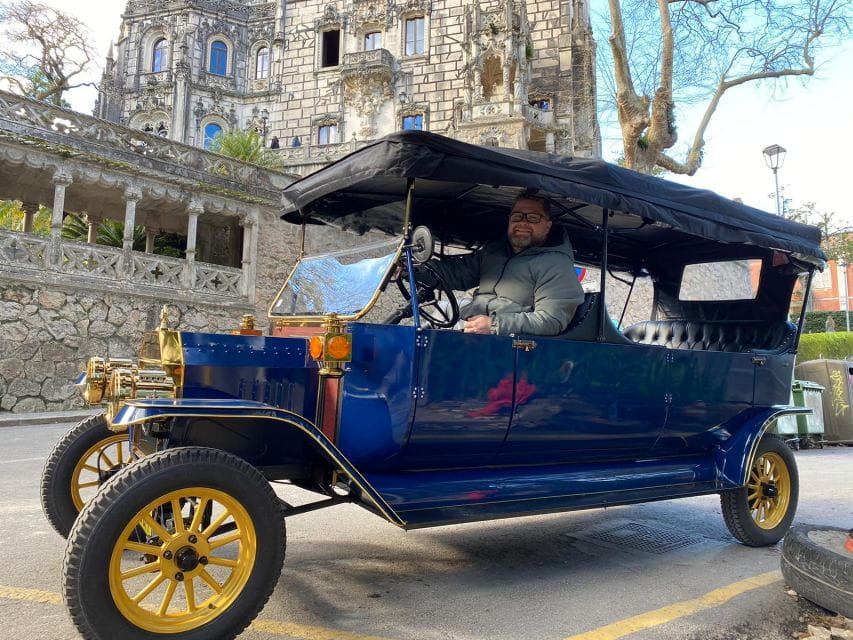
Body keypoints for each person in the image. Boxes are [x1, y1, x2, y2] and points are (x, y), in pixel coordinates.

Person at [416, 194, 584, 336]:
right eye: (517, 217)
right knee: (431, 320)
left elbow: (551, 320)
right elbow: (455, 273)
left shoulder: (556, 264)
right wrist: (413, 270)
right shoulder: (494, 252)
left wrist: (495, 325)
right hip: (472, 326)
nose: (523, 223)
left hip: (507, 344)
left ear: (547, 226)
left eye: (533, 218)